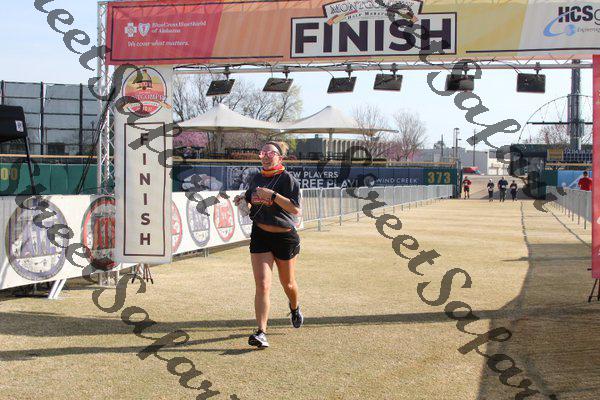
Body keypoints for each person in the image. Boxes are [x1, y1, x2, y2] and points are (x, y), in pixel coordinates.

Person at [233, 141, 303, 349]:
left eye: (270, 153)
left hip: (284, 238)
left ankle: (295, 308)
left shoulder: (287, 179)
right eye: (262, 153)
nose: (265, 156)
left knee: (288, 283)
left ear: (280, 158)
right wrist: (243, 201)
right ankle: (261, 332)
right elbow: (250, 197)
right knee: (262, 284)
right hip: (260, 235)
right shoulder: (256, 177)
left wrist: (272, 195)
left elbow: (295, 209)